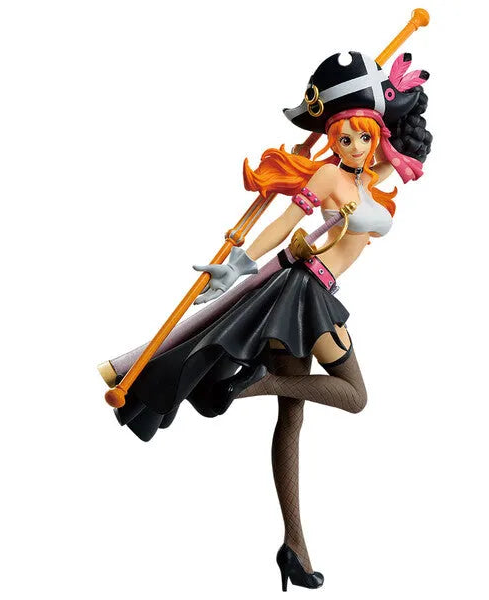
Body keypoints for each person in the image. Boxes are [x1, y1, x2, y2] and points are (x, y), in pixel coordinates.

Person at [115, 50, 432, 591]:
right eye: (343, 137)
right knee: (355, 396)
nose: (355, 145)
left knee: (293, 418)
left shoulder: (368, 176)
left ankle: (294, 546)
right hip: (309, 293)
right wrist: (237, 265)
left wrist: (393, 101)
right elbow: (286, 224)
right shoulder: (329, 176)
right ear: (330, 139)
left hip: (310, 291)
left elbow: (407, 143)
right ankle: (250, 384)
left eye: (364, 135)